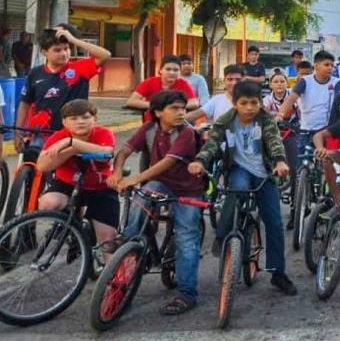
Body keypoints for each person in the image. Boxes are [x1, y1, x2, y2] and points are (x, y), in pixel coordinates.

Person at [188, 81, 297, 296]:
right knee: (235, 190)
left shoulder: (266, 120)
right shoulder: (225, 120)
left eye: (254, 103)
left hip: (265, 173)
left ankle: (278, 273)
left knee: (274, 223)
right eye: (244, 103)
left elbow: (275, 141)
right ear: (235, 103)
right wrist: (200, 161)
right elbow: (212, 144)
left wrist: (280, 161)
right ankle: (222, 237)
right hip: (238, 169)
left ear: (260, 103)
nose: (249, 108)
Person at [107, 90, 204, 315]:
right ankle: (130, 241)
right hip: (159, 183)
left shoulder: (186, 133)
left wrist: (136, 179)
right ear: (158, 112)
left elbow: (167, 163)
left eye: (183, 108)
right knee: (139, 200)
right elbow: (125, 150)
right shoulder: (149, 129)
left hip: (188, 189)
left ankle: (187, 293)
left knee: (186, 237)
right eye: (175, 108)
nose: (181, 112)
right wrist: (117, 172)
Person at [16, 24, 111, 158]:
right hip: (41, 134)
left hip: (72, 135)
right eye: (57, 50)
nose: (63, 53)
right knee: (31, 168)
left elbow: (105, 55)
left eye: (66, 49)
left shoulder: (79, 69)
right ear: (44, 52)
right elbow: (24, 103)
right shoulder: (35, 73)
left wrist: (73, 40)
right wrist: (18, 132)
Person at [36, 100, 117, 250]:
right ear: (64, 122)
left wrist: (72, 142)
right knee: (48, 203)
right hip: (68, 184)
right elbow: (42, 165)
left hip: (100, 186)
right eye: (74, 118)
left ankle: (112, 272)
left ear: (95, 120)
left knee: (108, 240)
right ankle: (74, 226)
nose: (80, 122)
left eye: (86, 117)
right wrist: (72, 149)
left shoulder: (104, 133)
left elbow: (105, 154)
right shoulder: (58, 136)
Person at [276, 50, 340, 154]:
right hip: (305, 131)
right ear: (316, 66)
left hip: (327, 132)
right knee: (302, 165)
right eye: (326, 65)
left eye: (332, 65)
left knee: (328, 164)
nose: (330, 67)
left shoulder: (337, 82)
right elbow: (291, 98)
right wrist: (280, 114)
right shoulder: (305, 81)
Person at [126, 54, 199, 122]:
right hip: (152, 122)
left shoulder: (183, 84)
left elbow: (194, 103)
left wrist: (172, 107)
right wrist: (157, 105)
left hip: (175, 123)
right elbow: (131, 101)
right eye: (168, 69)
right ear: (160, 70)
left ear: (180, 72)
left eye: (175, 70)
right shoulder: (149, 82)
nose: (171, 73)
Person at [263, 72, 300, 177]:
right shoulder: (267, 100)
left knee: (294, 162)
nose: (279, 84)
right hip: (274, 132)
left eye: (282, 81)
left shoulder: (295, 97)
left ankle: (294, 186)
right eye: (275, 82)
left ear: (287, 83)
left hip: (293, 131)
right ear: (270, 84)